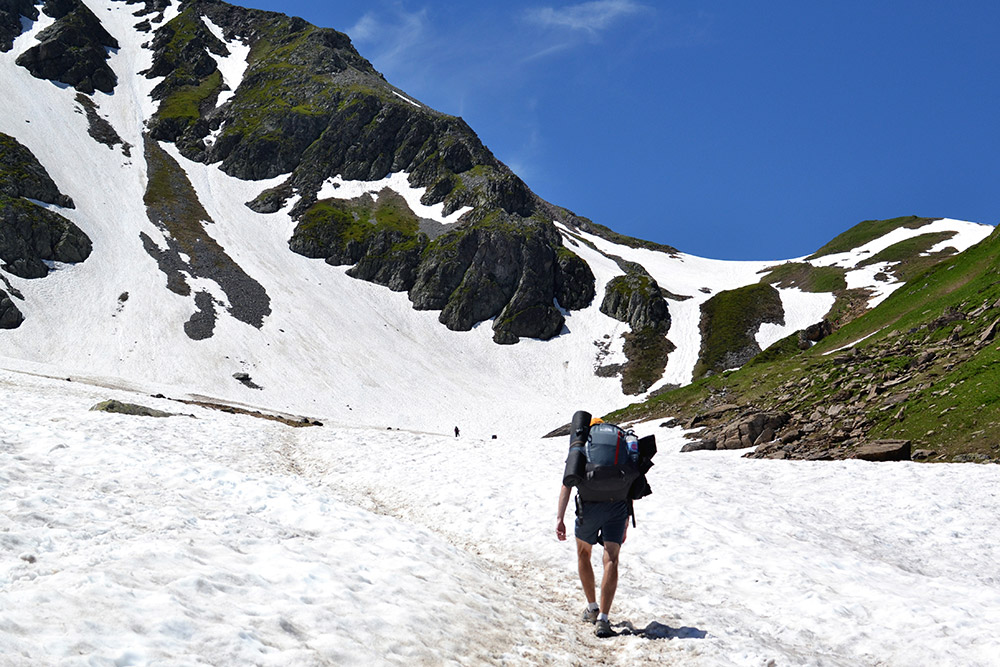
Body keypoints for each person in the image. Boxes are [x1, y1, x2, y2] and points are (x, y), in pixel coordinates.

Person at [555, 417, 630, 639]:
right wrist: (625, 521)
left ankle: (592, 607)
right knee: (611, 560)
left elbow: (567, 483)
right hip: (617, 506)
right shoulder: (619, 446)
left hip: (588, 508)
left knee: (584, 553)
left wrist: (560, 518)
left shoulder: (582, 445)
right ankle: (604, 620)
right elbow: (629, 483)